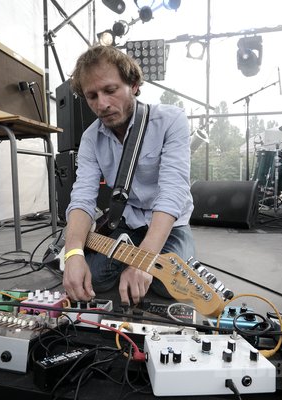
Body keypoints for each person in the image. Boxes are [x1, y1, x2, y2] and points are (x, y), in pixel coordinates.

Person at [61, 45, 195, 306]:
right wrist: (73, 253)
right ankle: (131, 260)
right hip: (124, 223)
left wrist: (144, 260)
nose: (102, 104)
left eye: (110, 91)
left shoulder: (171, 120)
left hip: (169, 224)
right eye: (92, 96)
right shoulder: (90, 138)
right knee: (92, 279)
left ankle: (139, 259)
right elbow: (82, 197)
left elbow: (172, 192)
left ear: (133, 85)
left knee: (171, 287)